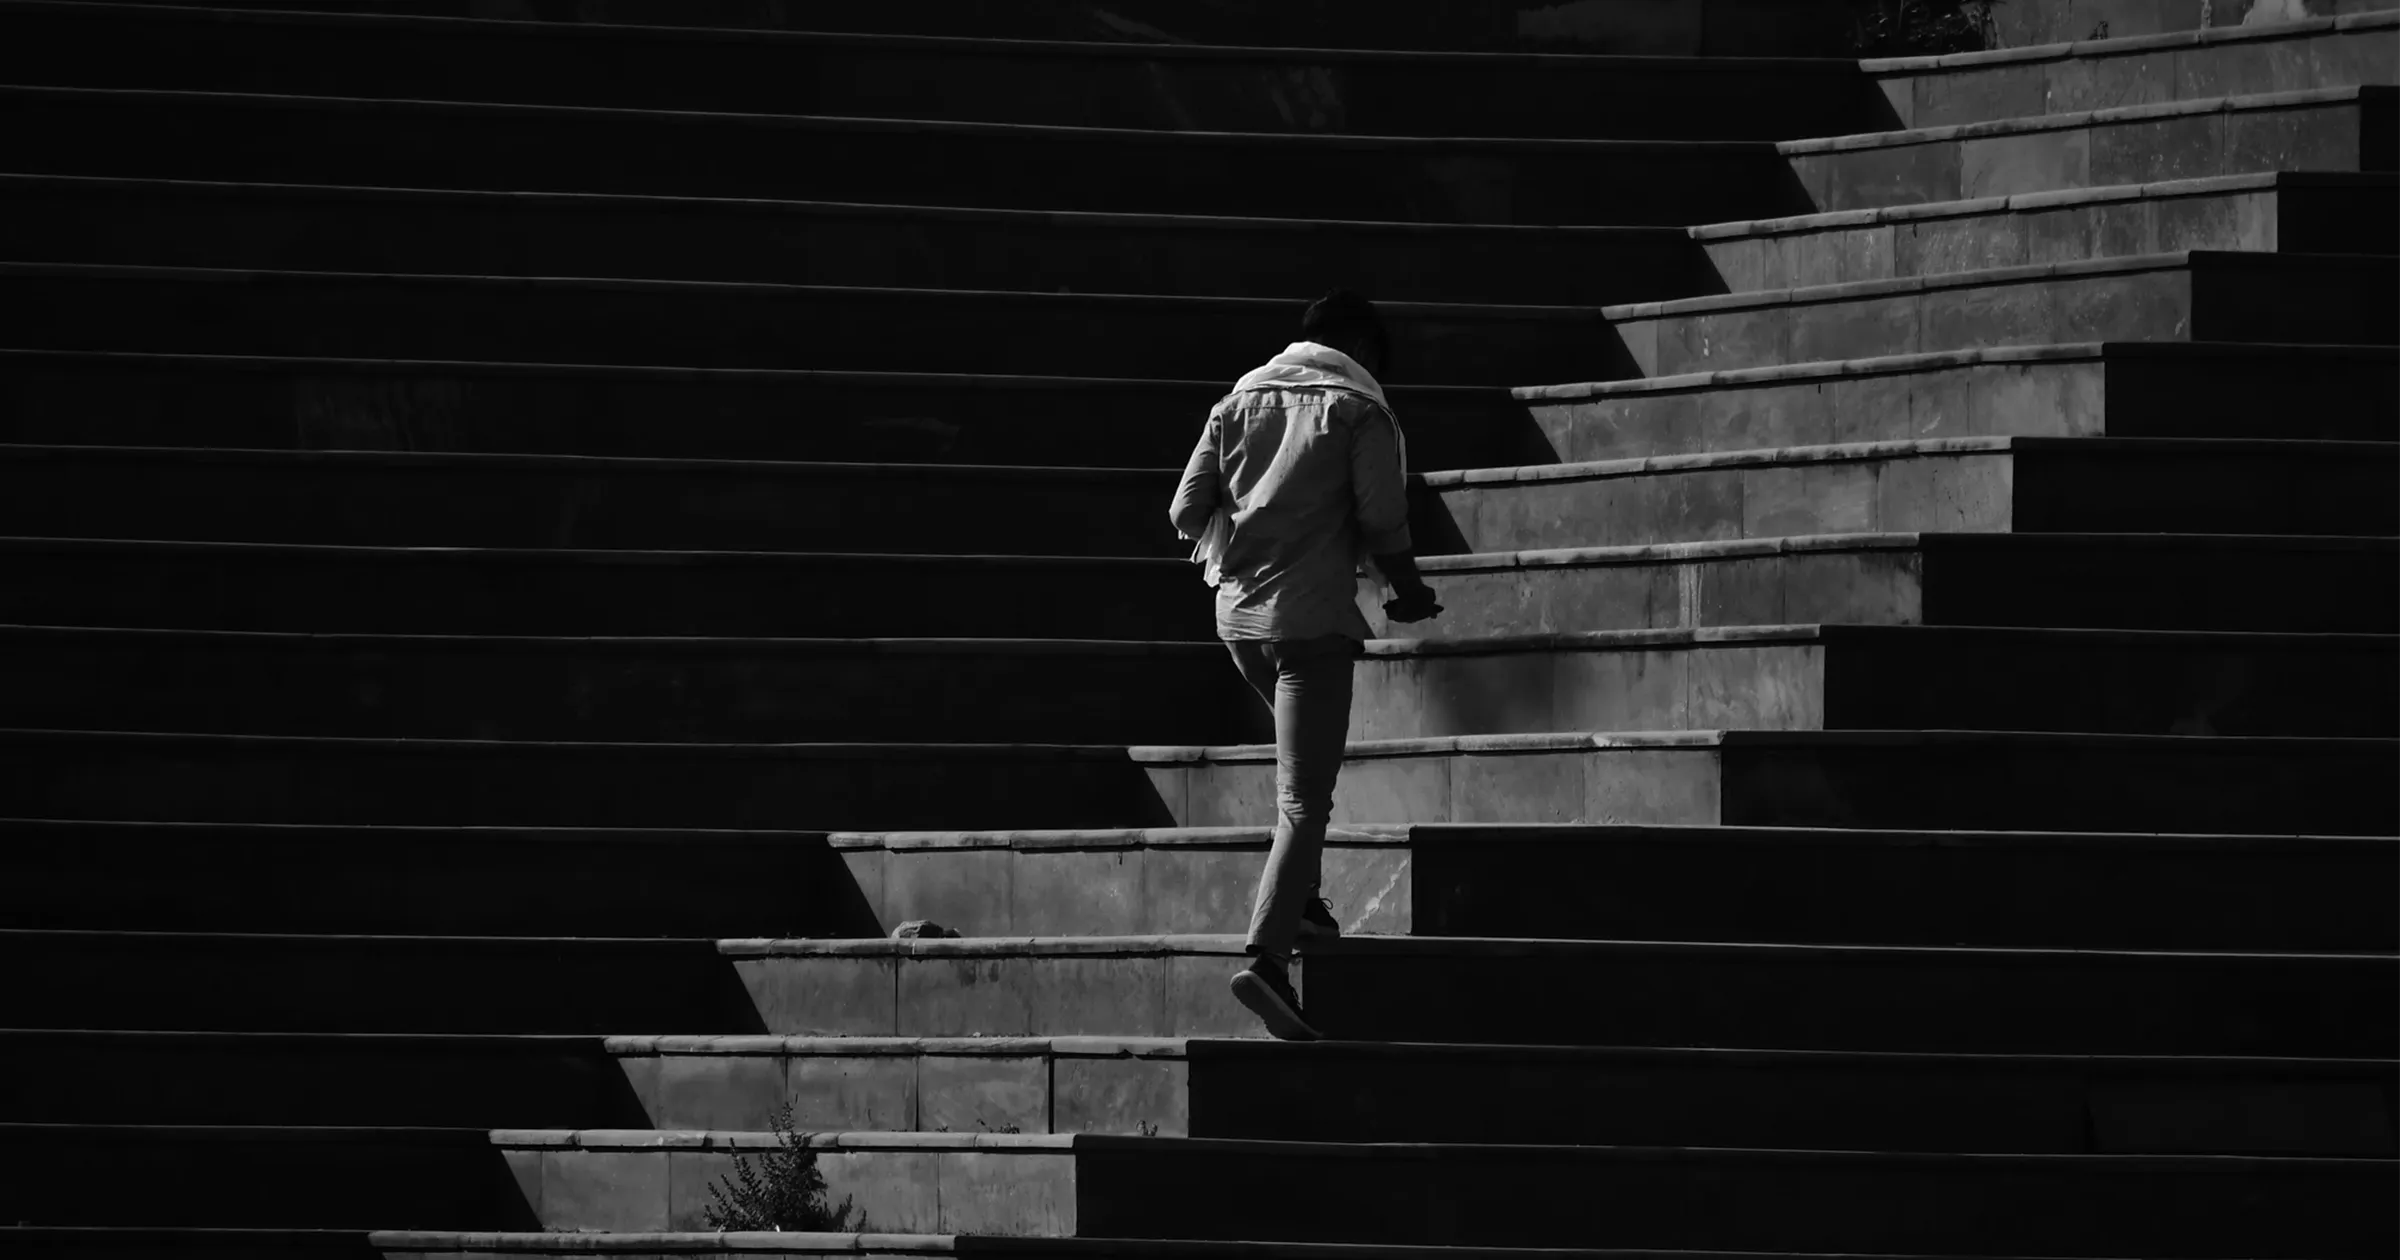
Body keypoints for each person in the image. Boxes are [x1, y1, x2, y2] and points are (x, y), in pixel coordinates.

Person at [1167, 290, 1443, 1041]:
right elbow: (1383, 518)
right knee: (1303, 800)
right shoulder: (1360, 409)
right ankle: (1266, 959)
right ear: (1359, 343)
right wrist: (1410, 594)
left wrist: (1253, 532)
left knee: (1299, 773)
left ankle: (1307, 909)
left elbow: (1185, 512)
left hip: (1238, 625)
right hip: (1312, 626)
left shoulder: (1237, 401)